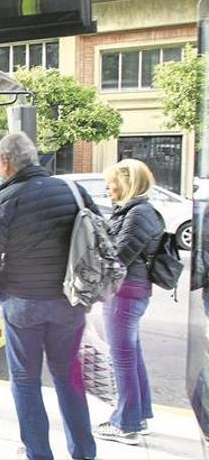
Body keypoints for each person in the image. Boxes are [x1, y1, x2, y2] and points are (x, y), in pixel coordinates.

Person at [0, 133, 98, 460]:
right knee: (68, 377)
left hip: (21, 303)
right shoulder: (74, 191)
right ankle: (84, 452)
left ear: (5, 162)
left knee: (26, 382)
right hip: (69, 303)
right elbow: (100, 238)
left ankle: (38, 453)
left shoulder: (1, 202)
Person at [93, 159, 164, 444]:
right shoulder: (138, 211)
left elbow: (119, 257)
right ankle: (139, 415)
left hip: (124, 292)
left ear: (126, 182)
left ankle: (126, 424)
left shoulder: (137, 214)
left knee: (122, 358)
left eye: (111, 182)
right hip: (132, 291)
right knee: (131, 355)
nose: (108, 188)